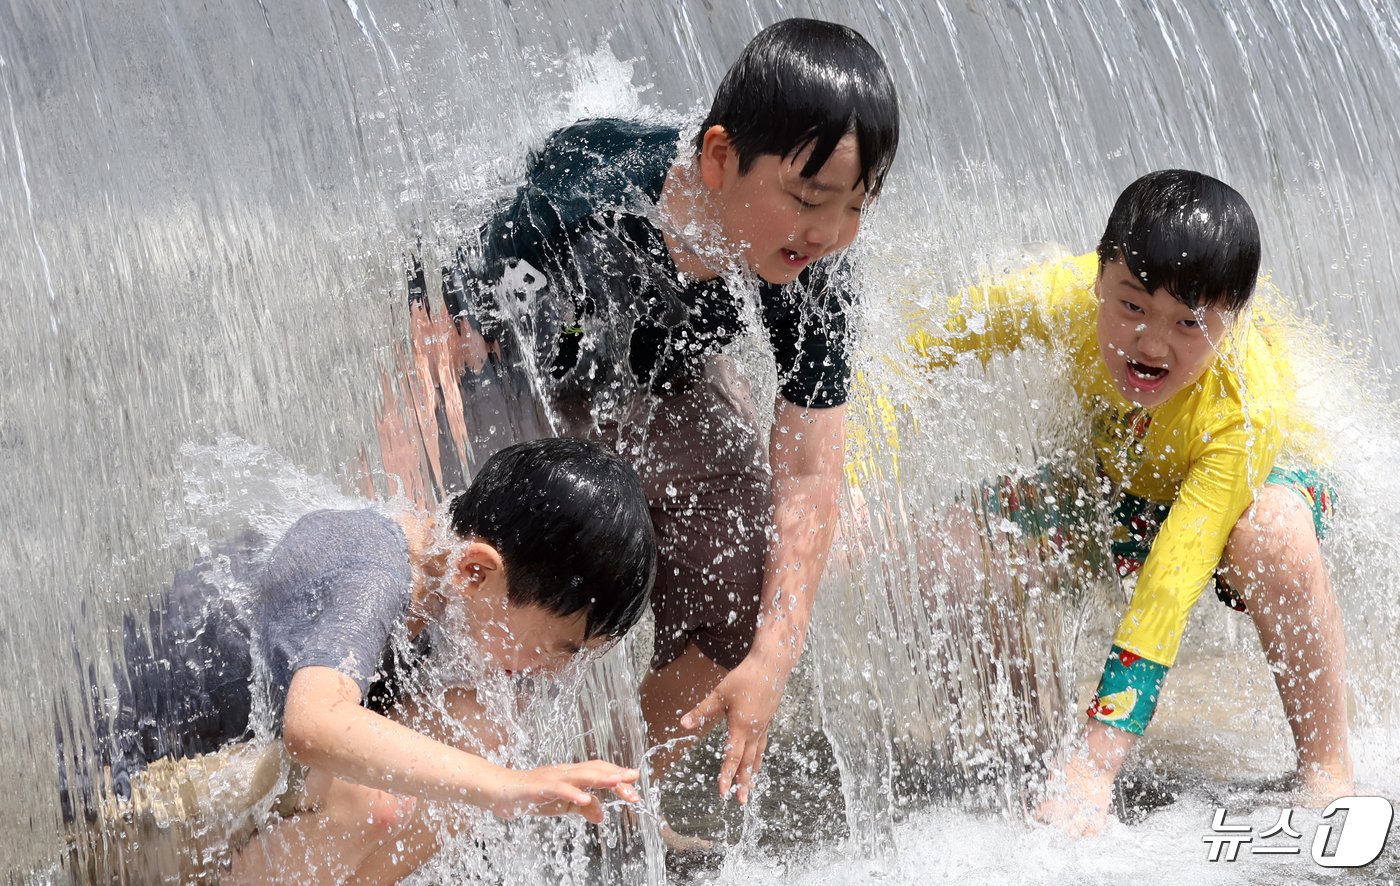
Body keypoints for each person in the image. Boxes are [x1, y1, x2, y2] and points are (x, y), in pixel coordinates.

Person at [389, 17, 900, 821]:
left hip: (659, 380)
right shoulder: (583, 207)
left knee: (747, 580)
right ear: (720, 158)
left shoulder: (816, 271)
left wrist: (773, 659)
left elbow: (808, 469)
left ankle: (598, 798)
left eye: (856, 206)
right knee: (498, 559)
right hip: (517, 361)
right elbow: (440, 360)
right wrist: (402, 542)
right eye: (807, 198)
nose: (829, 233)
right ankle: (415, 781)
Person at [905, 170, 1352, 835]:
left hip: (1256, 493)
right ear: (1098, 279)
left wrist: (1100, 764)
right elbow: (918, 347)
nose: (1151, 342)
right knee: (951, 544)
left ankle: (1328, 766)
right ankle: (1038, 757)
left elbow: (1167, 592)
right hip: (1125, 489)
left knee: (1273, 534)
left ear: (1230, 323)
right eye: (1132, 306)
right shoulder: (1059, 300)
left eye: (1188, 323)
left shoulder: (1240, 408)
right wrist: (842, 463)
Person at [70, 437, 656, 882]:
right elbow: (313, 724)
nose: (555, 673)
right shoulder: (373, 572)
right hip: (119, 810)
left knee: (481, 730)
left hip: (223, 788)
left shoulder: (441, 578)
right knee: (376, 798)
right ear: (475, 570)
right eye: (560, 649)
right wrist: (505, 787)